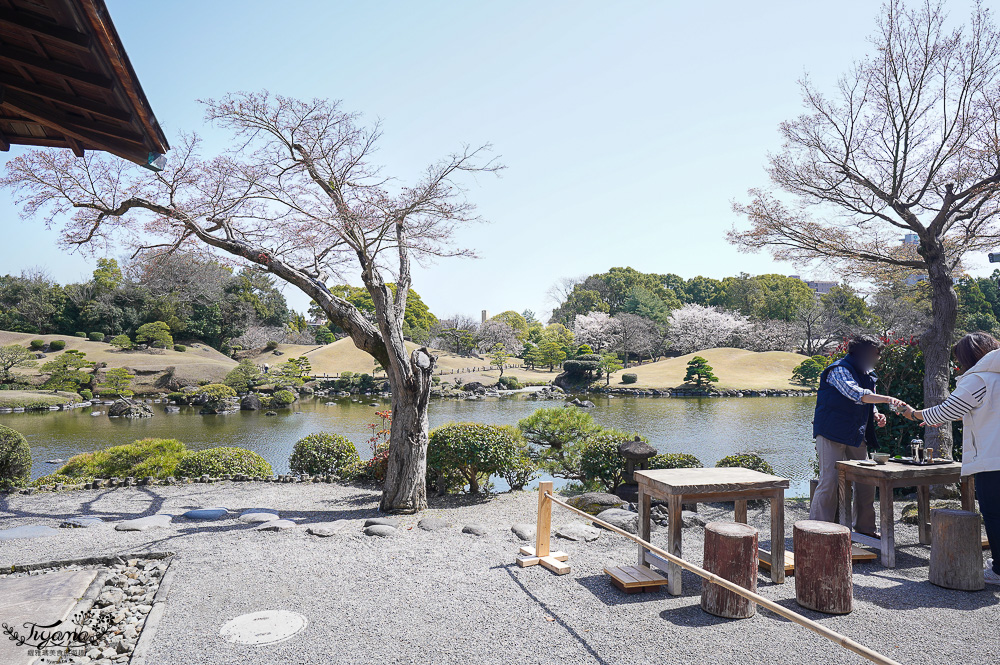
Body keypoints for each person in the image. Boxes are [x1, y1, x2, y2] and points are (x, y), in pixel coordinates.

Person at [898, 331, 1000, 586]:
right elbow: (964, 410)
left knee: (995, 514)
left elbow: (947, 410)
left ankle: (998, 571)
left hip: (993, 458)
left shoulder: (978, 379)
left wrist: (913, 414)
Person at [810, 334, 906, 537]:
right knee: (830, 481)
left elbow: (865, 402)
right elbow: (855, 393)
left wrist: (876, 414)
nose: (876, 358)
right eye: (874, 353)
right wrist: (889, 399)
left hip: (856, 433)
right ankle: (817, 531)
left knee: (866, 480)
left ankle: (865, 528)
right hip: (831, 432)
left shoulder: (867, 372)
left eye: (878, 354)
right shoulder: (839, 370)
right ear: (858, 352)